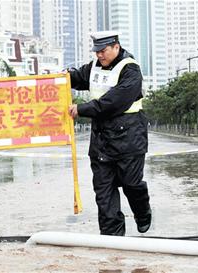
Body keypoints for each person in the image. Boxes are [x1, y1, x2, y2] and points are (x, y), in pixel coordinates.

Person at [68, 31, 151, 236]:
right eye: (97, 51)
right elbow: (76, 78)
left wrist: (82, 109)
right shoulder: (94, 66)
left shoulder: (131, 70)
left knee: (131, 184)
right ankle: (113, 240)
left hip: (129, 138)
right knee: (104, 194)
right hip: (101, 141)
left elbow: (113, 102)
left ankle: (142, 212)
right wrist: (60, 76)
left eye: (103, 51)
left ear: (116, 47)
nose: (99, 56)